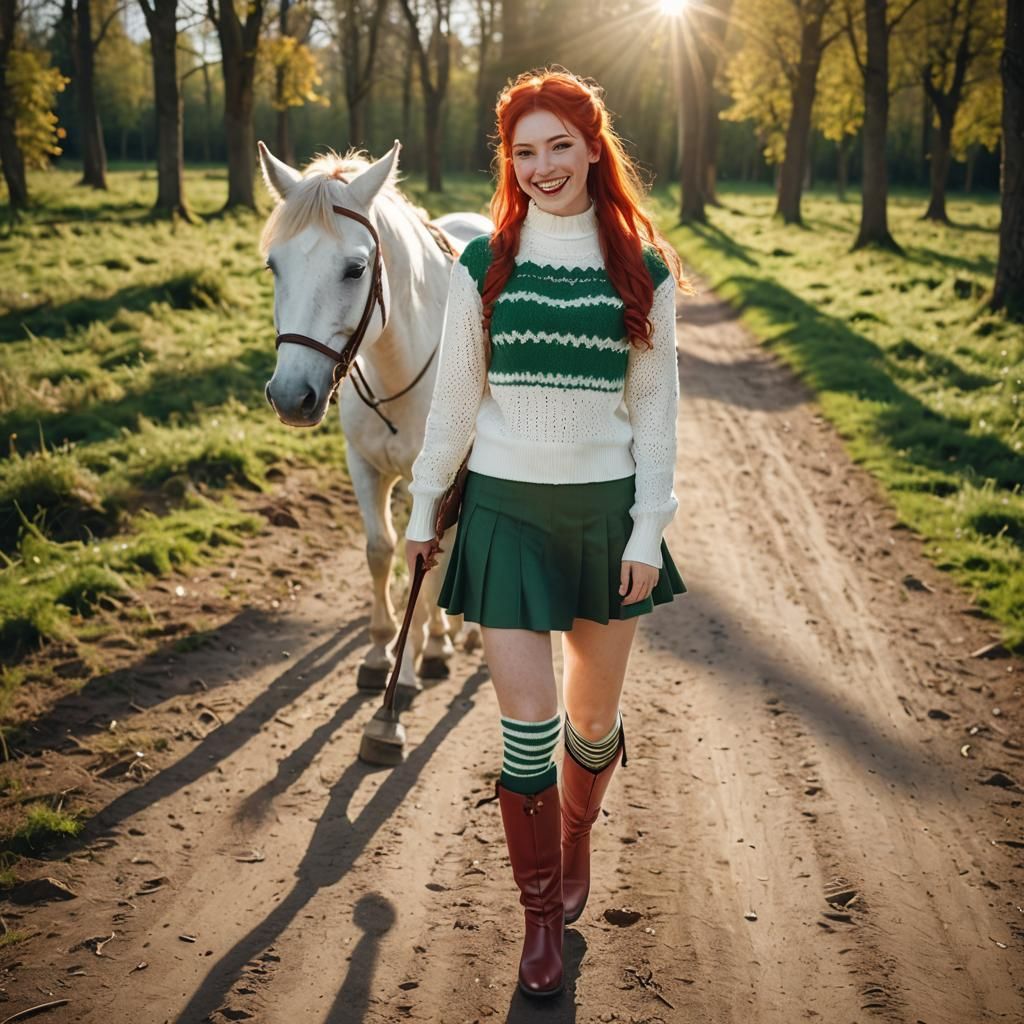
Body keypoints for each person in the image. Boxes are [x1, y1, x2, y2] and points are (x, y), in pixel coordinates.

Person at [403, 67, 687, 999]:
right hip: (506, 515)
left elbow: (657, 412)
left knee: (592, 725)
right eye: (524, 151)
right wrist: (423, 510)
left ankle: (574, 835)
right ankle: (539, 922)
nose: (543, 165)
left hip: (605, 517)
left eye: (560, 144)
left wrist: (647, 531)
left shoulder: (642, 267)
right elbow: (454, 402)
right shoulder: (483, 263)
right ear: (509, 161)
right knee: (527, 731)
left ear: (594, 146)